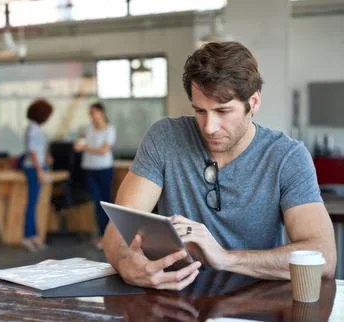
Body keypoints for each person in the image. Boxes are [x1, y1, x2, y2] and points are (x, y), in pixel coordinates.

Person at [103, 41, 336, 290]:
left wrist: (225, 258)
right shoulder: (165, 138)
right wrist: (126, 263)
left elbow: (323, 259)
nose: (209, 127)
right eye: (200, 111)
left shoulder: (287, 157)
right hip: (176, 301)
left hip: (254, 305)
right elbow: (117, 230)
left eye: (223, 111)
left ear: (254, 102)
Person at [74, 102, 116, 250]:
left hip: (104, 169)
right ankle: (101, 234)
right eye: (90, 113)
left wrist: (85, 147)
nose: (92, 116)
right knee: (96, 202)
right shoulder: (88, 128)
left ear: (102, 112)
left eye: (94, 112)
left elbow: (104, 150)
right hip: (90, 169)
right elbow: (80, 143)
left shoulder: (109, 129)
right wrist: (79, 145)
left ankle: (106, 236)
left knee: (104, 203)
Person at [20, 99, 53, 252]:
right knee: (32, 203)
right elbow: (32, 152)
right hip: (33, 169)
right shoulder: (32, 129)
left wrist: (46, 157)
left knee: (35, 203)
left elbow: (38, 150)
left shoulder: (35, 128)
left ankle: (33, 236)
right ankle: (27, 237)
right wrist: (39, 169)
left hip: (37, 166)